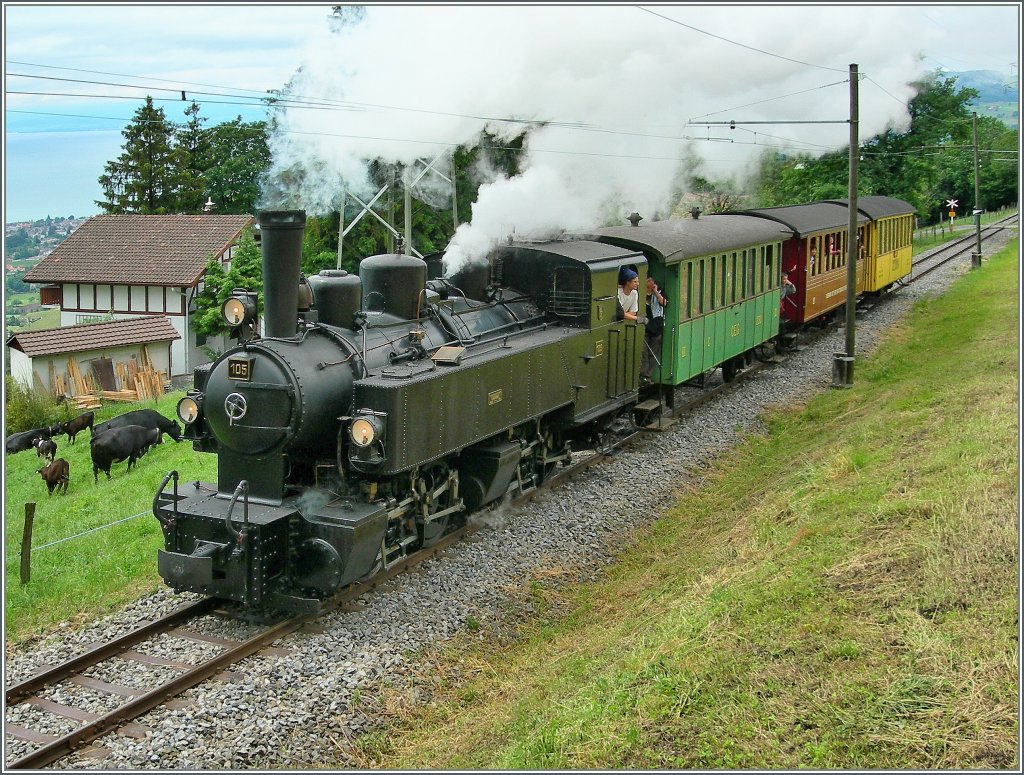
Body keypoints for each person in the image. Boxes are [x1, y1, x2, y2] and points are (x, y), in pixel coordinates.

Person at [642, 276, 667, 382]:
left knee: (653, 352)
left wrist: (656, 293)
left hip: (656, 327)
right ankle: (643, 375)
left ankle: (648, 375)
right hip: (645, 327)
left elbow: (664, 303)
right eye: (648, 280)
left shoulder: (660, 292)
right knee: (643, 352)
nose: (651, 282)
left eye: (652, 280)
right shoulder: (640, 294)